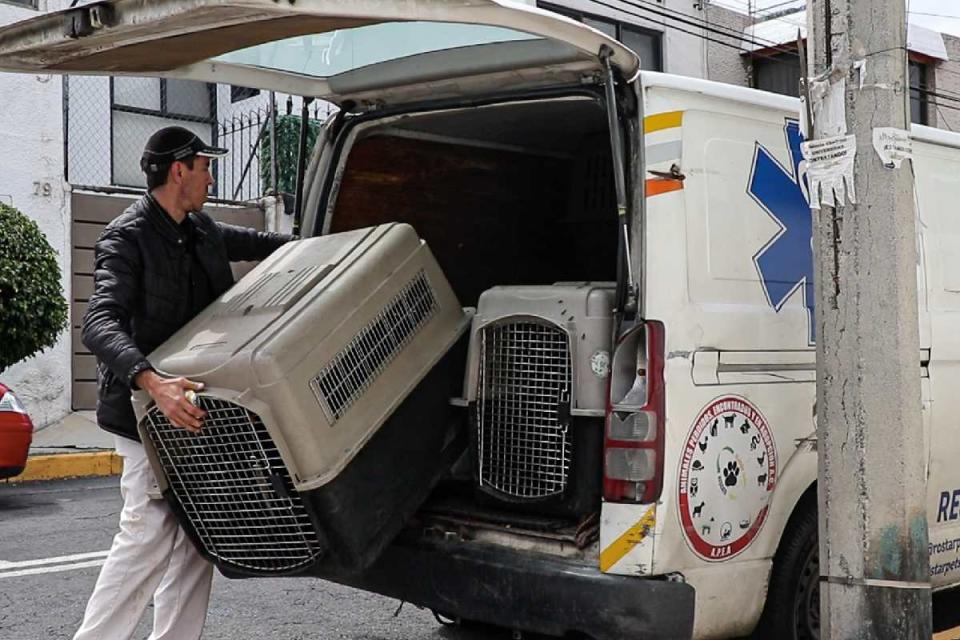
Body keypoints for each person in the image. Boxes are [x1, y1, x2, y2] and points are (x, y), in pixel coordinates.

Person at [76, 126, 294, 640]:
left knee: (199, 536)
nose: (211, 178)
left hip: (194, 411)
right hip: (143, 409)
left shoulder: (202, 230)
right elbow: (98, 323)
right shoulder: (125, 238)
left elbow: (268, 245)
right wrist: (153, 381)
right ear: (180, 171)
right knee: (148, 531)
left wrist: (340, 239)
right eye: (205, 167)